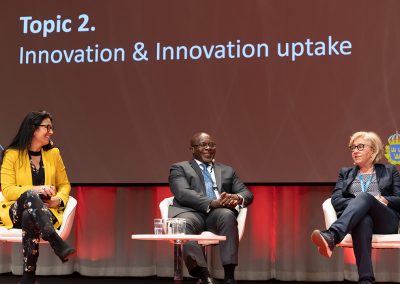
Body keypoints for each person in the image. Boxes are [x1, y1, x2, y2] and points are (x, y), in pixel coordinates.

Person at [311, 131, 400, 284]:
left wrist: (384, 200)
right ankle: (366, 280)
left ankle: (333, 235)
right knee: (363, 218)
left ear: (372, 150)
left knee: (365, 197)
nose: (355, 151)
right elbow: (336, 200)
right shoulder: (345, 173)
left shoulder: (389, 171)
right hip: (358, 219)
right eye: (352, 148)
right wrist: (360, 204)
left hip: (385, 221)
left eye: (360, 146)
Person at [0, 111, 75, 284]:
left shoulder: (53, 154)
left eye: (51, 128)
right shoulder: (12, 155)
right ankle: (53, 237)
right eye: (47, 127)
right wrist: (35, 189)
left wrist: (58, 200)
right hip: (15, 212)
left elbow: (65, 185)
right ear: (33, 129)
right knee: (29, 196)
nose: (51, 132)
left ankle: (28, 277)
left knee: (30, 215)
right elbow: (8, 190)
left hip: (44, 212)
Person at [168, 132, 254, 284]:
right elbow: (182, 193)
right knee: (183, 224)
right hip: (191, 212)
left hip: (217, 214)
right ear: (192, 149)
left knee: (227, 215)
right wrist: (212, 202)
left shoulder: (227, 170)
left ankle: (229, 276)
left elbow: (246, 193)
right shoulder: (179, 168)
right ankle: (204, 274)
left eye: (211, 145)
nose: (208, 148)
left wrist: (237, 198)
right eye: (203, 145)